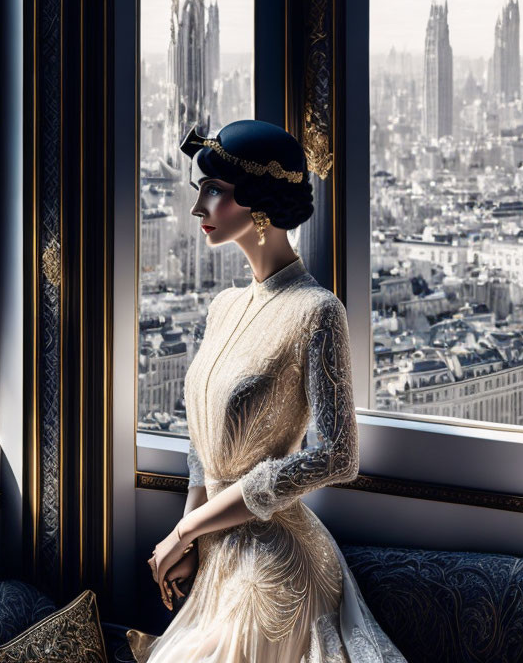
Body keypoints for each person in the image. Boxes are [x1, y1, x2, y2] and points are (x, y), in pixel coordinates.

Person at [142, 120, 408, 663]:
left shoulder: (318, 312)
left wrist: (189, 527)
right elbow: (202, 440)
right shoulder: (222, 308)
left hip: (278, 566)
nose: (198, 208)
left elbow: (337, 456)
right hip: (217, 552)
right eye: (200, 190)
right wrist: (189, 534)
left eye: (213, 191)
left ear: (259, 205)